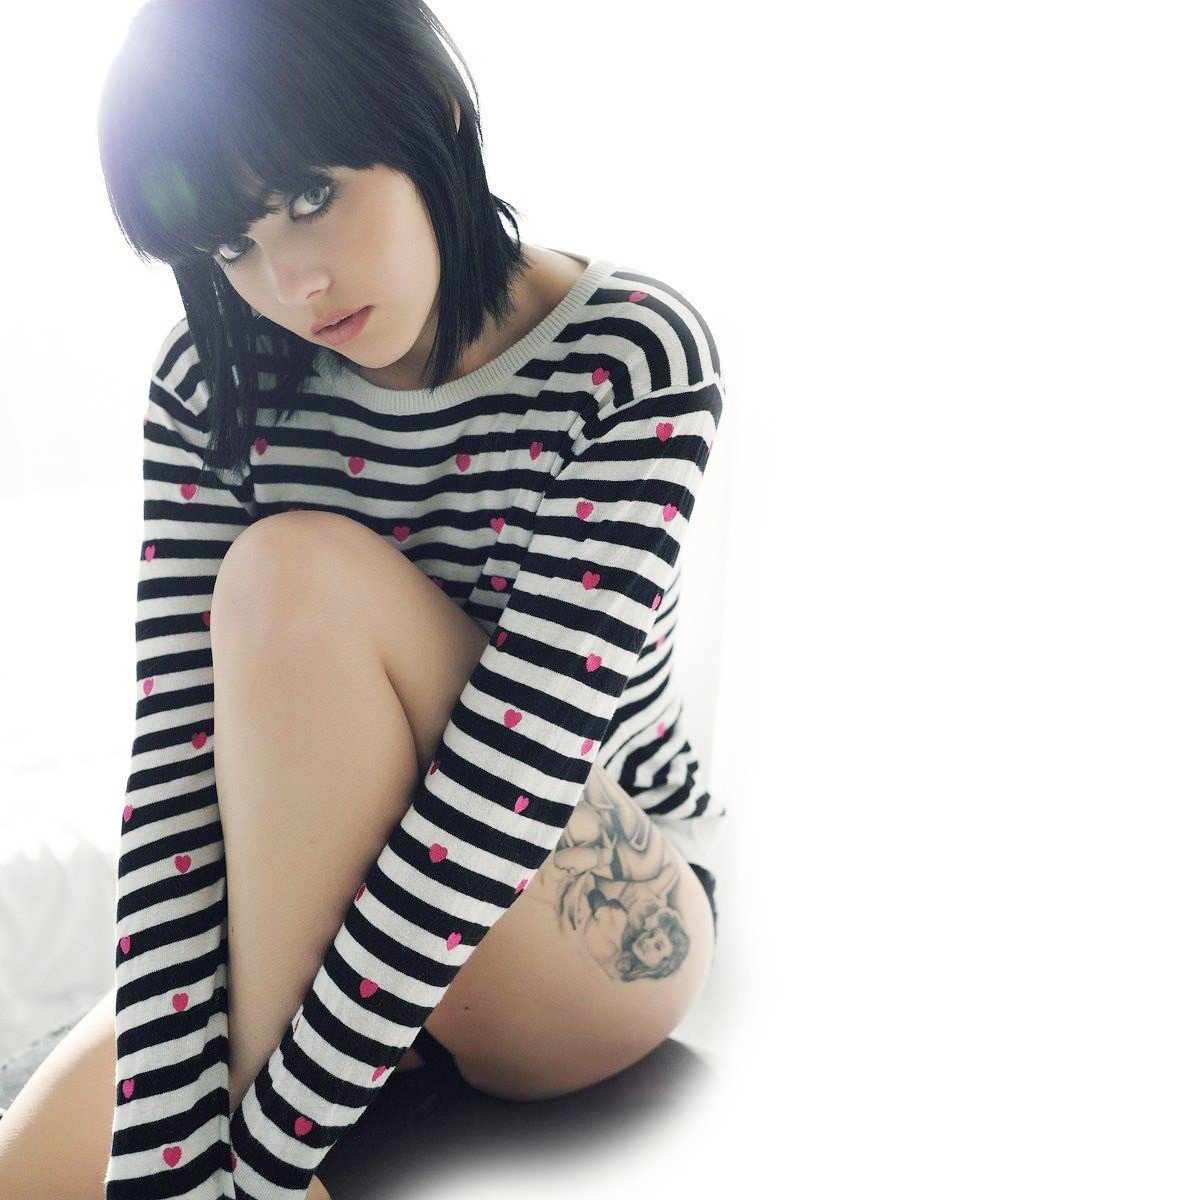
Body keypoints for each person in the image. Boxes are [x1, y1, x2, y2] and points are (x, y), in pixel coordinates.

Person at [0, 2, 727, 1196]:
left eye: (309, 196)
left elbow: (505, 787)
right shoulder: (210, 385)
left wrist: (258, 1161)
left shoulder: (629, 358)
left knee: (294, 575)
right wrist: (173, 1148)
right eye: (232, 246)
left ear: (434, 111)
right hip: (320, 910)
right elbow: (179, 769)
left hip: (578, 921)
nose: (291, 281)